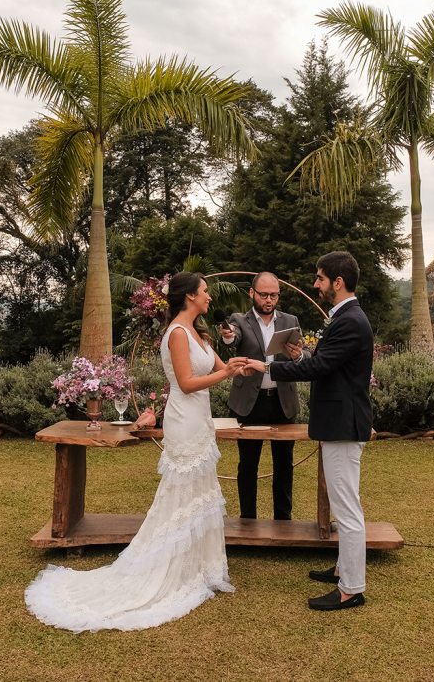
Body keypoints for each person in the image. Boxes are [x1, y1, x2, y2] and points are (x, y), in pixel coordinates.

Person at [25, 272, 250, 632]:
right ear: (190, 296)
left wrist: (240, 364)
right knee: (180, 495)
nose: (209, 297)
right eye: (205, 292)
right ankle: (167, 568)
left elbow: (220, 368)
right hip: (184, 418)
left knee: (201, 492)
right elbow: (188, 383)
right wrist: (225, 376)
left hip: (201, 420)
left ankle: (199, 567)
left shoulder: (199, 333)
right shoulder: (176, 334)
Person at [243, 252, 373, 611]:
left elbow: (323, 367)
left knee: (346, 509)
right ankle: (342, 571)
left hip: (343, 426)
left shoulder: (350, 320)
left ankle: (351, 588)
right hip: (338, 424)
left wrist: (266, 368)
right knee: (344, 503)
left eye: (319, 278)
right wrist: (300, 357)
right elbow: (326, 365)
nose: (315, 284)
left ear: (338, 282)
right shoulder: (345, 317)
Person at [220, 272, 310, 521]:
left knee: (284, 464)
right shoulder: (239, 319)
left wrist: (298, 356)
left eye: (274, 295)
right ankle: (247, 521)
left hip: (283, 403)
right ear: (252, 293)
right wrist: (227, 336)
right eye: (264, 295)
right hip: (249, 404)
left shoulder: (290, 320)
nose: (269, 300)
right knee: (248, 465)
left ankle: (283, 521)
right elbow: (232, 337)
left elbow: (305, 358)